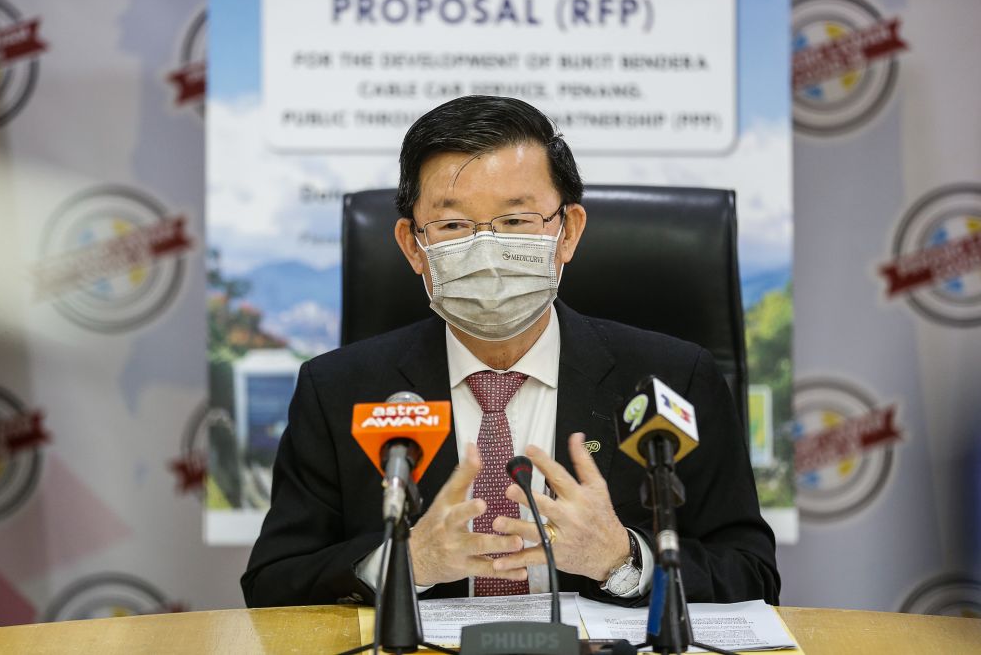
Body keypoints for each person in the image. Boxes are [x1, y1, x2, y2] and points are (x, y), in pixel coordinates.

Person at [241, 95, 779, 608]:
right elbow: (274, 582)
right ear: (413, 246)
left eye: (516, 221)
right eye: (452, 225)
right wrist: (405, 562)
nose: (486, 250)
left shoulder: (672, 379)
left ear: (567, 231)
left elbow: (752, 572)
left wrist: (621, 558)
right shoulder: (338, 390)